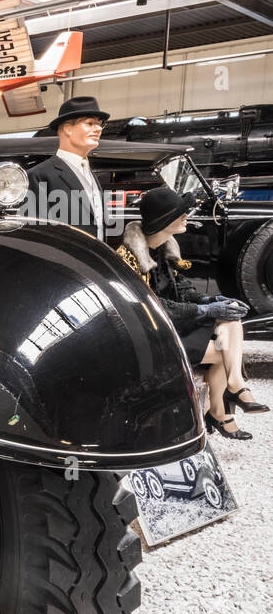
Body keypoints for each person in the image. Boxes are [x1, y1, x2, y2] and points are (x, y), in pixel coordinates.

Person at [116, 187, 267, 440]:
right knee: (222, 351)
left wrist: (212, 300)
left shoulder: (163, 247)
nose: (187, 217)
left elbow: (182, 288)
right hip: (154, 334)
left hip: (176, 324)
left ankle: (234, 388)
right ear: (164, 220)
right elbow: (153, 307)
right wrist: (205, 309)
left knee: (231, 320)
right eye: (180, 214)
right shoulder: (129, 258)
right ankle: (222, 408)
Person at [26, 95, 110, 239]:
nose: (98, 129)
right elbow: (37, 236)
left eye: (100, 124)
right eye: (90, 123)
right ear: (68, 129)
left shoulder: (90, 175)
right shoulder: (39, 175)